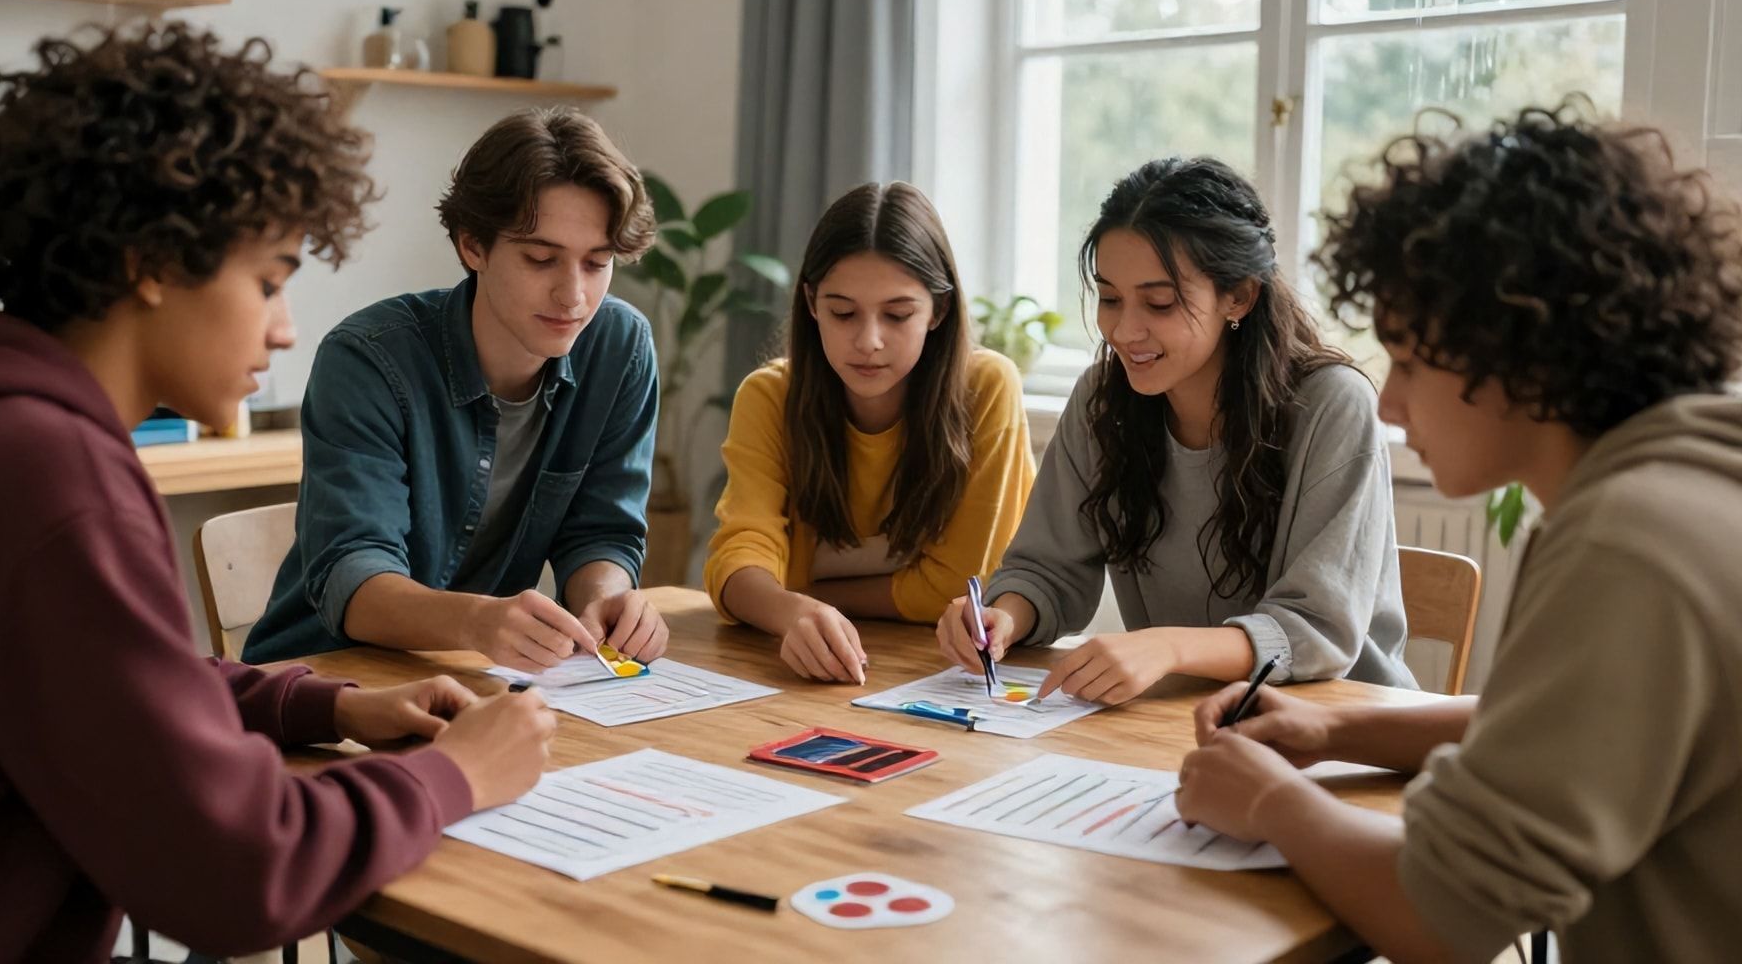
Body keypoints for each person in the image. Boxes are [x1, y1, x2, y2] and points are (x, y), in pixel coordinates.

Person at [0, 22, 555, 961]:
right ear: (152, 261)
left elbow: (99, 689)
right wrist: (452, 778)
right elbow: (240, 874)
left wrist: (323, 705)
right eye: (270, 280)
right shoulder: (47, 478)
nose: (283, 331)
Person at [1177, 103, 1742, 961]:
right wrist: (1334, 731)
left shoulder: (1629, 543)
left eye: (1409, 357)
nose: (1392, 402)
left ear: (1516, 348)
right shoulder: (1697, 475)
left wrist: (1268, 804)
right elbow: (1555, 727)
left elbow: (1443, 915)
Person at [939, 157, 1415, 702]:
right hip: (1178, 721)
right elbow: (1046, 568)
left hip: (1339, 735)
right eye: (1110, 298)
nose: (1123, 329)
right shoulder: (1103, 400)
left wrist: (1167, 649)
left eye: (1160, 302)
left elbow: (1317, 631)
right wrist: (1003, 616)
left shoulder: (1334, 405)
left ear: (1238, 295)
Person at [244, 106, 669, 671]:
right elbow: (353, 572)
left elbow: (602, 530)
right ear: (472, 246)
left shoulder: (620, 348)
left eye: (597, 263)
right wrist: (475, 622)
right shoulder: (368, 359)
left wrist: (607, 600)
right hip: (322, 677)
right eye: (541, 259)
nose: (574, 297)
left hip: (471, 677)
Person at [706, 182, 1035, 683]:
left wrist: (799, 593)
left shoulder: (987, 387)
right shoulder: (770, 395)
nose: (868, 341)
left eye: (898, 315)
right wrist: (789, 611)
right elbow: (736, 561)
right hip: (806, 663)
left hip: (939, 668)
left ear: (939, 311)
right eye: (842, 312)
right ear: (812, 303)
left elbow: (958, 586)